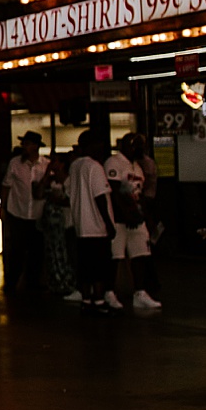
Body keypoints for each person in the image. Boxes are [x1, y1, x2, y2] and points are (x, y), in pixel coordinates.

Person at [106, 138, 162, 311]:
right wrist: (126, 214)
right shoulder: (114, 162)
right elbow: (114, 192)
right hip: (120, 219)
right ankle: (109, 292)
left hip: (137, 217)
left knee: (141, 253)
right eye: (135, 145)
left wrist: (142, 214)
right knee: (116, 255)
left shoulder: (137, 166)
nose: (139, 149)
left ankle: (140, 292)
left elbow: (140, 193)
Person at [67, 133, 121, 310]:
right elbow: (100, 197)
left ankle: (86, 299)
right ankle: (98, 299)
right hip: (96, 227)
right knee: (99, 267)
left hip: (81, 225)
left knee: (85, 267)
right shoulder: (95, 167)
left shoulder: (75, 166)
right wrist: (109, 224)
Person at [1, 130, 49, 298]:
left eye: (27, 144)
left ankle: (32, 281)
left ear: (35, 146)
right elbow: (6, 185)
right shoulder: (15, 163)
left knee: (36, 250)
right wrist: (3, 207)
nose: (24, 147)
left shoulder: (45, 164)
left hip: (37, 212)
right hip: (19, 211)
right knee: (17, 250)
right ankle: (13, 281)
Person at [37, 156, 81, 301]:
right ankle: (58, 282)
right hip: (53, 226)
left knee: (69, 254)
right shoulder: (51, 181)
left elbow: (71, 201)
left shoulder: (70, 182)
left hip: (68, 223)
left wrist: (58, 200)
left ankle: (72, 284)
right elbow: (38, 193)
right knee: (55, 253)